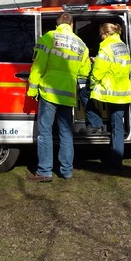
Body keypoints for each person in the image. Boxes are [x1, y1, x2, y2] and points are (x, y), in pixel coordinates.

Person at [26, 12, 91, 182]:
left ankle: (45, 171)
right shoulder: (82, 44)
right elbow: (84, 73)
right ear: (72, 25)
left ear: (57, 24)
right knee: (66, 133)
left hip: (49, 92)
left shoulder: (48, 37)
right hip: (68, 94)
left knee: (45, 132)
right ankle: (67, 171)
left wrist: (32, 90)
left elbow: (38, 66)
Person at [80, 22, 131, 169]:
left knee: (84, 94)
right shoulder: (122, 45)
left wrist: (91, 83)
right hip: (123, 90)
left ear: (105, 34)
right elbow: (116, 65)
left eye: (100, 35)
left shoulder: (106, 46)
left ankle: (96, 123)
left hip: (109, 89)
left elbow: (99, 71)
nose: (100, 38)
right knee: (117, 124)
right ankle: (116, 160)